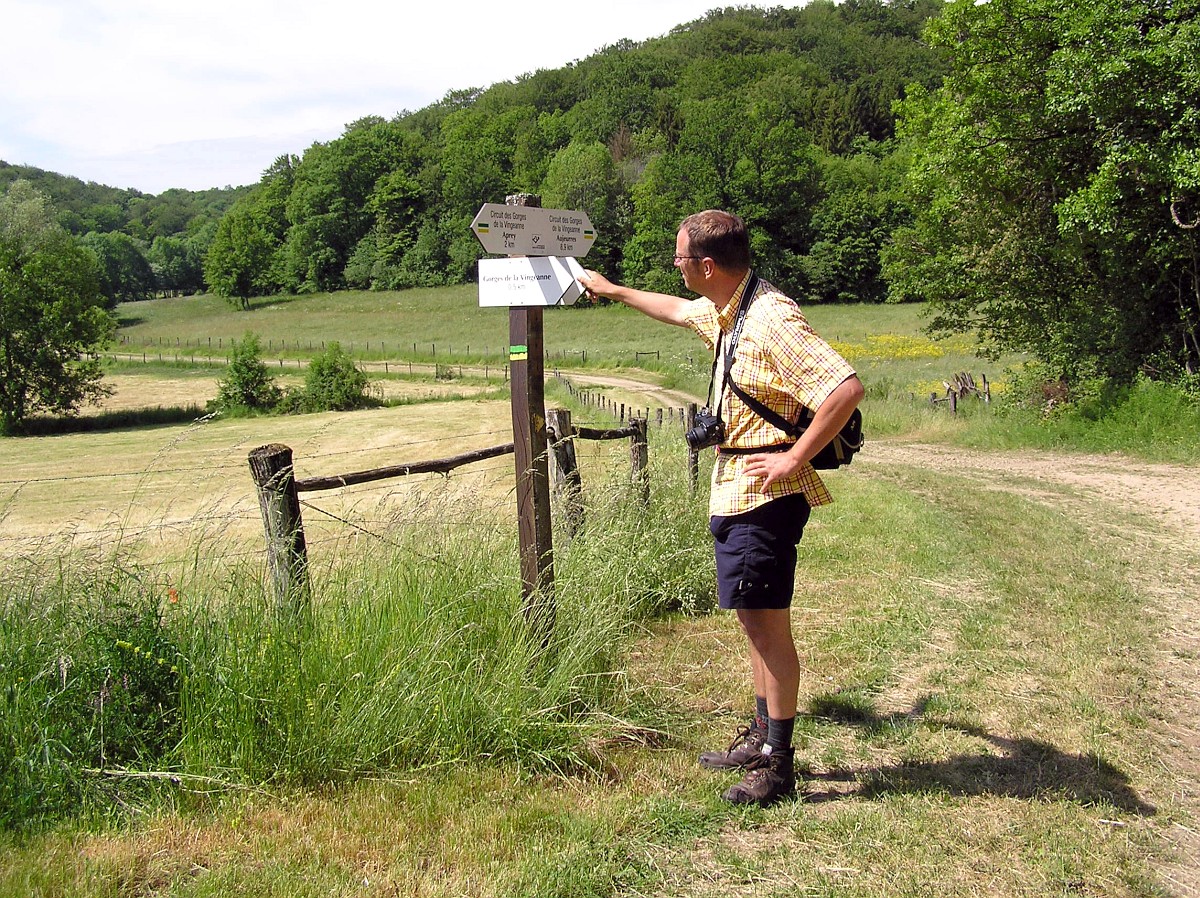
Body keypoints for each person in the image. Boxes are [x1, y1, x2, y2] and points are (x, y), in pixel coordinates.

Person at [577, 210, 863, 806]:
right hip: (736, 488)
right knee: (754, 620)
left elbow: (844, 388)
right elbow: (678, 310)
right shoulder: (731, 308)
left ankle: (778, 764)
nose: (675, 265)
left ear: (706, 265)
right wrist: (612, 290)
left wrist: (794, 458)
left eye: (680, 257)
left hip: (765, 494)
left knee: (767, 625)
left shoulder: (770, 320)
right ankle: (761, 737)